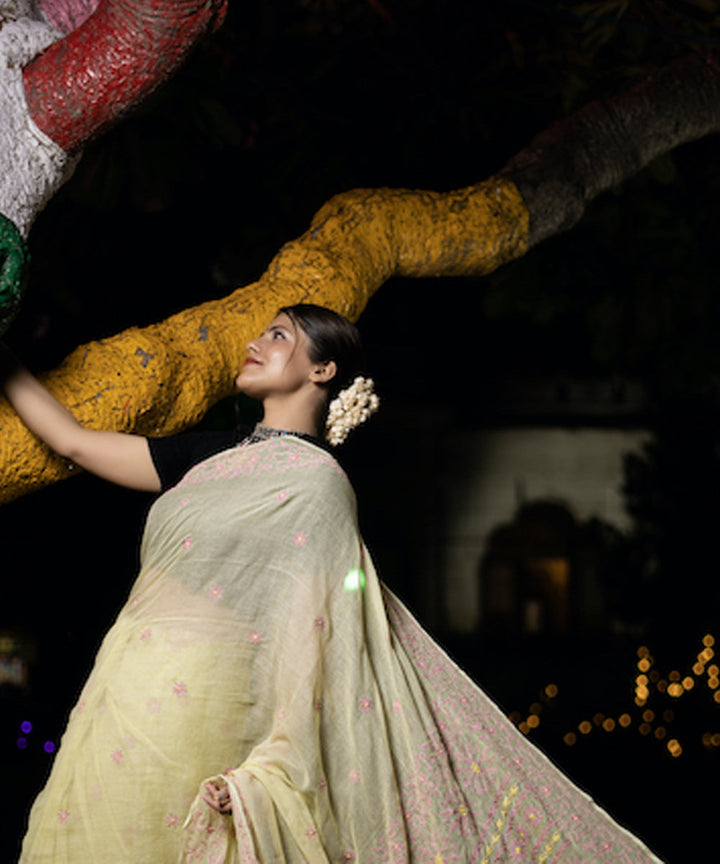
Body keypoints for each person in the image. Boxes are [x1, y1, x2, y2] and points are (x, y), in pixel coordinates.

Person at [2, 304, 662, 863]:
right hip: (121, 695)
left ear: (323, 370)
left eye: (279, 335)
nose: (255, 342)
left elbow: (307, 639)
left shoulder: (317, 486)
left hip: (212, 711)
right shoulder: (205, 453)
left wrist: (268, 772)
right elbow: (74, 442)